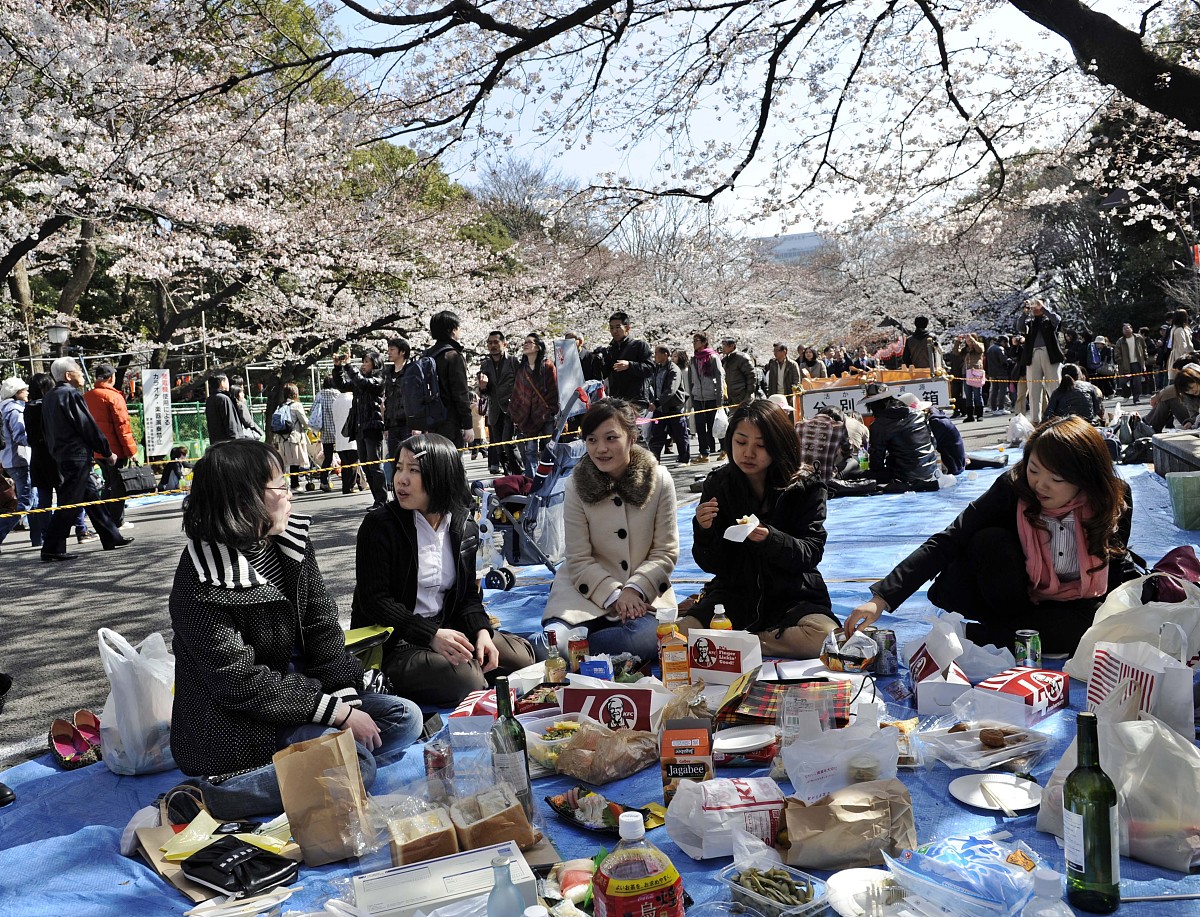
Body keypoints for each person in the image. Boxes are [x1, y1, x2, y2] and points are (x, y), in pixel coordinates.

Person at [169, 439, 422, 819]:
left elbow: (323, 631)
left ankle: (307, 763)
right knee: (357, 766)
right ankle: (213, 795)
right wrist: (334, 715)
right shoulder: (201, 582)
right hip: (240, 722)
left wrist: (346, 701)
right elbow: (240, 683)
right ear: (244, 499)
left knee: (406, 718)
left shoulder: (291, 544)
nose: (290, 495)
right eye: (280, 486)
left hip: (302, 697)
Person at [846, 417, 1138, 654]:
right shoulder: (1014, 488)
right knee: (990, 540)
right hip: (1009, 598)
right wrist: (881, 599)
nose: (1040, 485)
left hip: (1075, 603)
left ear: (1086, 479)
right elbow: (951, 537)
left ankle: (980, 636)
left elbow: (1111, 561)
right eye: (1034, 470)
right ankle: (1016, 633)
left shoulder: (1113, 501)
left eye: (1056, 479)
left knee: (1090, 631)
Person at [351, 433, 535, 707]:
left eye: (414, 470)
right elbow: (375, 601)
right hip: (396, 642)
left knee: (522, 657)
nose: (401, 479)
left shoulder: (462, 524)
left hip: (447, 628)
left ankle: (465, 663)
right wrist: (430, 635)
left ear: (441, 475)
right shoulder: (379, 525)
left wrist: (481, 631)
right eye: (399, 467)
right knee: (467, 679)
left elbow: (467, 597)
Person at [684, 398, 839, 657]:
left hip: (792, 595)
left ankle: (735, 644)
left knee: (823, 638)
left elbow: (810, 553)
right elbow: (711, 565)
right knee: (677, 636)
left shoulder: (805, 487)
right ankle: (732, 641)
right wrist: (704, 530)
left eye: (761, 445)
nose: (748, 453)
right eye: (741, 442)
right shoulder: (719, 485)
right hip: (734, 595)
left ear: (779, 446)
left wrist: (770, 539)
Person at [542, 399, 679, 661]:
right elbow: (578, 558)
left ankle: (578, 652)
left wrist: (633, 590)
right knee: (554, 643)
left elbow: (665, 552)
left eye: (611, 438)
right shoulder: (576, 484)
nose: (600, 449)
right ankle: (572, 648)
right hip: (583, 592)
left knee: (643, 639)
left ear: (632, 437)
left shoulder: (659, 479)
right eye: (591, 440)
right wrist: (615, 595)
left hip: (643, 596)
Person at [40, 358, 132, 561]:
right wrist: (106, 451)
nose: (82, 374)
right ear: (67, 375)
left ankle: (111, 536)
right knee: (69, 501)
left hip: (61, 453)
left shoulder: (50, 397)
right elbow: (87, 426)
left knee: (91, 496)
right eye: (78, 371)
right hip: (76, 453)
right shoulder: (71, 394)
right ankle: (52, 547)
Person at [83, 364, 139, 529]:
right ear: (111, 377)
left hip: (97, 450)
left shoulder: (87, 396)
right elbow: (123, 427)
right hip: (115, 450)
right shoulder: (113, 397)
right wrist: (131, 452)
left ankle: (107, 519)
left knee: (108, 483)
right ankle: (115, 521)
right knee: (119, 486)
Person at [860, 382, 939, 491]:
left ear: (871, 406)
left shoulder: (879, 424)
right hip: (931, 471)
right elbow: (933, 443)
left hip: (905, 477)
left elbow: (876, 461)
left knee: (857, 474)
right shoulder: (917, 413)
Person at [334, 350, 387, 507]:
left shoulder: (379, 378)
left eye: (367, 362)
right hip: (360, 427)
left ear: (375, 364)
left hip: (373, 425)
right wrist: (338, 368)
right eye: (363, 361)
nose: (363, 365)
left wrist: (349, 366)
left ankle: (382, 499)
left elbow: (363, 382)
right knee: (365, 464)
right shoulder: (360, 381)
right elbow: (342, 385)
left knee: (375, 464)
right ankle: (377, 499)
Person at [421, 310, 475, 449]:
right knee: (453, 464)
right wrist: (468, 424)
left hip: (430, 420)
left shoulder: (427, 356)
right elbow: (460, 393)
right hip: (450, 420)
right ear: (452, 330)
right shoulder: (452, 356)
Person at [508, 332, 560, 478]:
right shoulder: (522, 368)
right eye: (524, 342)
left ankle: (552, 479)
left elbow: (553, 389)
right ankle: (532, 480)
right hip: (527, 415)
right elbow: (518, 393)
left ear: (537, 347)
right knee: (530, 450)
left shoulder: (548, 365)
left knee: (550, 448)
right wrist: (517, 412)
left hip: (546, 413)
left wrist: (551, 409)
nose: (525, 344)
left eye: (529, 342)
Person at [480, 330, 521, 476]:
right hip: (494, 410)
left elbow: (521, 384)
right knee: (498, 447)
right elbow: (483, 393)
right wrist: (482, 387)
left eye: (496, 342)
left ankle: (519, 473)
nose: (493, 346)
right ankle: (508, 475)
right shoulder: (485, 364)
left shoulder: (513, 361)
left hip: (511, 409)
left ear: (504, 344)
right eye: (490, 343)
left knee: (508, 443)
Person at [0, 377, 33, 548]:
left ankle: (39, 537)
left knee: (31, 498)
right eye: (24, 389)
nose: (27, 392)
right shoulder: (15, 410)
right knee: (25, 502)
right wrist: (36, 441)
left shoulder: (3, 408)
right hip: (19, 459)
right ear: (16, 392)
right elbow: (20, 436)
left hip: (8, 459)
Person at [1021, 299, 1063, 424]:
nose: (1035, 308)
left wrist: (1043, 308)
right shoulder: (1030, 322)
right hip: (1032, 355)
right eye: (1034, 306)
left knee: (1054, 386)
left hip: (1050, 355)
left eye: (1037, 305)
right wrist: (1025, 311)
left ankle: (1059, 415)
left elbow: (1057, 319)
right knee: (1034, 388)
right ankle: (1035, 419)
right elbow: (1019, 326)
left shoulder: (1049, 320)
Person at [600, 312, 654, 408]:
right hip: (616, 400)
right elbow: (605, 373)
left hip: (636, 401)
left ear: (627, 328)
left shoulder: (640, 345)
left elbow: (650, 369)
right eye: (611, 328)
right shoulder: (610, 349)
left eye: (618, 327)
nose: (614, 331)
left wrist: (630, 365)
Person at [648, 345, 690, 464]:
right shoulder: (657, 368)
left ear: (665, 354)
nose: (655, 356)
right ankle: (655, 461)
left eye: (657, 353)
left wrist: (656, 403)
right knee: (656, 436)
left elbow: (671, 390)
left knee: (680, 435)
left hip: (673, 408)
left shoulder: (673, 369)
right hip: (660, 409)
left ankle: (684, 459)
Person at [688, 332, 725, 464]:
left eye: (697, 340)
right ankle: (704, 453)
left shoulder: (713, 357)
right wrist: (692, 397)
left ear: (704, 342)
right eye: (693, 340)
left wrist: (719, 399)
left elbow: (720, 378)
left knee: (714, 424)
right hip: (698, 397)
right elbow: (690, 380)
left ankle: (724, 448)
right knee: (699, 426)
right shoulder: (693, 359)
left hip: (712, 396)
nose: (694, 343)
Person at [381, 337, 411, 488]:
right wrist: (386, 425)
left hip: (407, 423)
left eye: (392, 349)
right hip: (392, 424)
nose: (389, 352)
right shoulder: (388, 373)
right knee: (394, 459)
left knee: (409, 458)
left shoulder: (410, 371)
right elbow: (386, 400)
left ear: (402, 352)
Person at [274, 383, 311, 492]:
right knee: (295, 462)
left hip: (282, 438)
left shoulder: (280, 406)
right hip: (294, 437)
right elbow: (305, 422)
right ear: (295, 393)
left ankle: (284, 485)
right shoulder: (296, 406)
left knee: (285, 463)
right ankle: (295, 485)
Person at [1146, 362, 1200, 432]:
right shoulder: (1188, 396)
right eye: (1187, 391)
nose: (1192, 391)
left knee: (1168, 399)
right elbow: (1193, 415)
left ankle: (1147, 427)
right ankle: (1148, 427)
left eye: (1192, 387)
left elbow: (1168, 390)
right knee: (1166, 401)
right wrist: (1189, 422)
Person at [312, 375, 342, 492]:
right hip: (338, 429)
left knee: (328, 457)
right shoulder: (337, 394)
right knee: (344, 456)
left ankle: (324, 481)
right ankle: (349, 480)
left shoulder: (320, 395)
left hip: (325, 430)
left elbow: (313, 409)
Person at [204, 374, 243, 443]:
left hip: (216, 442)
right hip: (228, 443)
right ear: (222, 383)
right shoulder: (224, 399)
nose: (228, 384)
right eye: (227, 382)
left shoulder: (209, 400)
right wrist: (235, 441)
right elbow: (230, 423)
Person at [1116, 323, 1149, 405]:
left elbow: (1144, 347)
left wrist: (1145, 357)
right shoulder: (1120, 341)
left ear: (1131, 329)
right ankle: (1126, 395)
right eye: (1124, 329)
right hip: (1125, 364)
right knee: (1123, 382)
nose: (1126, 330)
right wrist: (1119, 360)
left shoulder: (1138, 338)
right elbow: (1117, 352)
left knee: (1137, 382)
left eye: (1128, 328)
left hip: (1137, 363)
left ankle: (1136, 398)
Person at [720, 337, 756, 406]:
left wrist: (748, 393)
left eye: (725, 345)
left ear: (732, 346)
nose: (723, 347)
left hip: (743, 396)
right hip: (731, 397)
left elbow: (751, 375)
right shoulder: (725, 360)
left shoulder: (742, 358)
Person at [985, 334, 1011, 414]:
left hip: (992, 373)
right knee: (1002, 391)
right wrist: (1010, 361)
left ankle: (993, 408)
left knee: (994, 390)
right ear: (1003, 342)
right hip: (1001, 372)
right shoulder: (1000, 349)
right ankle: (1001, 407)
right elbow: (1004, 361)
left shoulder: (990, 348)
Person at [1168, 308, 1192, 382]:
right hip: (1180, 356)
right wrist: (1188, 358)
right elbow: (1183, 346)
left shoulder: (1175, 328)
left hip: (1177, 355)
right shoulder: (1179, 330)